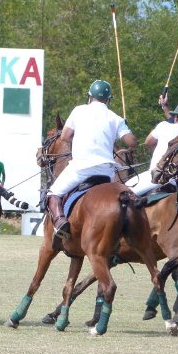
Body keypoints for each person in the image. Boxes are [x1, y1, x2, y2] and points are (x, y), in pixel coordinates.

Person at [46, 79, 138, 239]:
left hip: (81, 168)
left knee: (53, 193)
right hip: (107, 172)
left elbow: (65, 137)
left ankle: (60, 222)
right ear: (109, 99)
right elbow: (132, 142)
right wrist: (125, 126)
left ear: (89, 96)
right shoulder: (115, 118)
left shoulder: (78, 111)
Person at [127, 101, 178, 196]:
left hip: (154, 177)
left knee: (123, 192)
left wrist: (157, 154)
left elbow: (148, 142)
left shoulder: (163, 126)